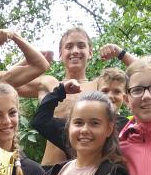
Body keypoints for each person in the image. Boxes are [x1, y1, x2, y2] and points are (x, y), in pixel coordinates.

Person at [15, 27, 98, 167]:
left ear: (90, 53)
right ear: (60, 54)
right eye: (69, 47)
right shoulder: (49, 83)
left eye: (81, 46)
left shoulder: (99, 86)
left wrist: (120, 53)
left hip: (88, 168)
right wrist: (31, 59)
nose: (75, 51)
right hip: (51, 168)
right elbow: (7, 82)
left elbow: (136, 80)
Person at [30, 68, 128, 161]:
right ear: (97, 93)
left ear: (124, 97)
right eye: (105, 91)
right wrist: (60, 91)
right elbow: (41, 121)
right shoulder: (78, 126)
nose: (110, 96)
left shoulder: (128, 128)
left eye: (117, 91)